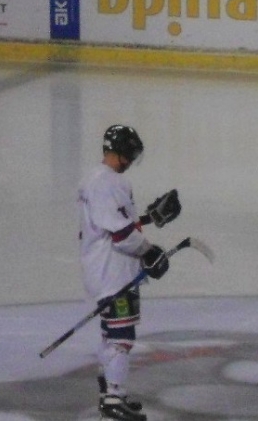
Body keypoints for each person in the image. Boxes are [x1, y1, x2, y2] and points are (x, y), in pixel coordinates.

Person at [78, 124, 181, 421]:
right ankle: (112, 399)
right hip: (113, 273)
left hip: (102, 269)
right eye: (130, 153)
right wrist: (150, 251)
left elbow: (112, 225)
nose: (132, 160)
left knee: (111, 334)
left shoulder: (95, 179)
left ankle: (113, 392)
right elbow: (122, 237)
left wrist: (150, 218)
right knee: (122, 337)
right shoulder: (109, 183)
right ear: (120, 150)